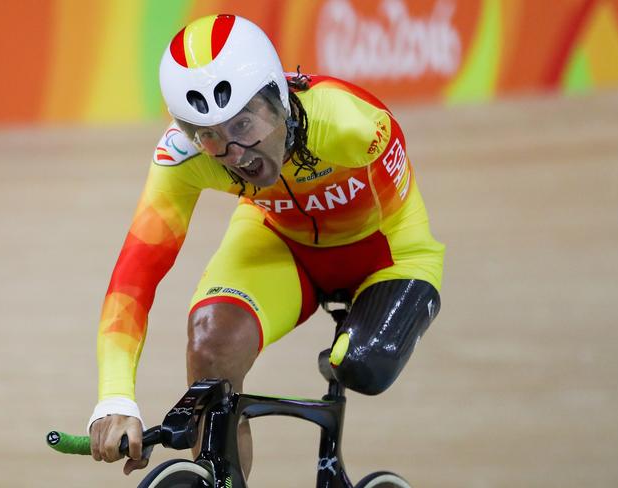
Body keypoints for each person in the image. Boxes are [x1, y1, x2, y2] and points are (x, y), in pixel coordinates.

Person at [87, 14, 445, 477]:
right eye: (211, 135)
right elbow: (135, 274)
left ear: (279, 95)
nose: (237, 154)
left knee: (363, 365)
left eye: (243, 124)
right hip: (279, 239)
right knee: (210, 346)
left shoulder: (354, 125)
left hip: (384, 252)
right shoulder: (184, 156)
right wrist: (115, 395)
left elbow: (401, 220)